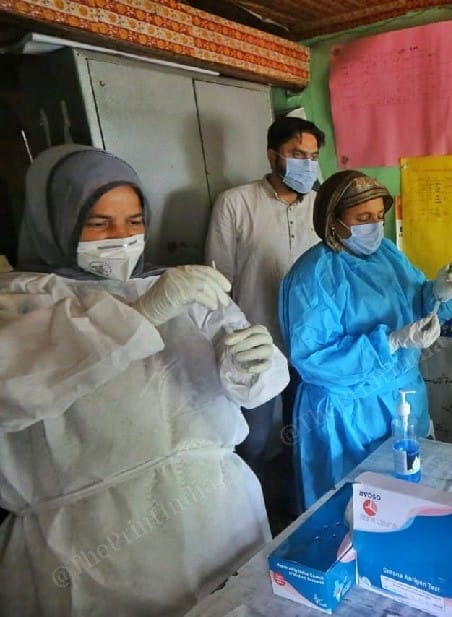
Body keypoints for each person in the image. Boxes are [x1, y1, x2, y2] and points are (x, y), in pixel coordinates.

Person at [0, 145, 289, 616]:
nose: (122, 238)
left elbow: (249, 373)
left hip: (219, 513)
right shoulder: (21, 303)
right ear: (57, 220)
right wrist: (137, 317)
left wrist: (253, 369)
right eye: (99, 223)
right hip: (99, 549)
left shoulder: (178, 286)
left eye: (135, 222)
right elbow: (15, 389)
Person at [279, 170, 452, 509]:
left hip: (401, 397)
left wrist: (441, 291)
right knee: (353, 509)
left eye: (379, 216)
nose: (374, 226)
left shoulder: (387, 254)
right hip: (348, 410)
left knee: (409, 496)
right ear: (332, 221)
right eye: (363, 218)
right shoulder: (312, 277)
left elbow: (418, 300)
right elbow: (315, 360)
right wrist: (390, 342)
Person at [204, 116, 326, 484]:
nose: (307, 164)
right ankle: (251, 506)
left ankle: (294, 503)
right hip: (256, 342)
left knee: (301, 433)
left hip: (308, 344)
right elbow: (219, 281)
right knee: (253, 439)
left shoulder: (321, 207)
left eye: (313, 156)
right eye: (297, 154)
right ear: (273, 156)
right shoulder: (235, 203)